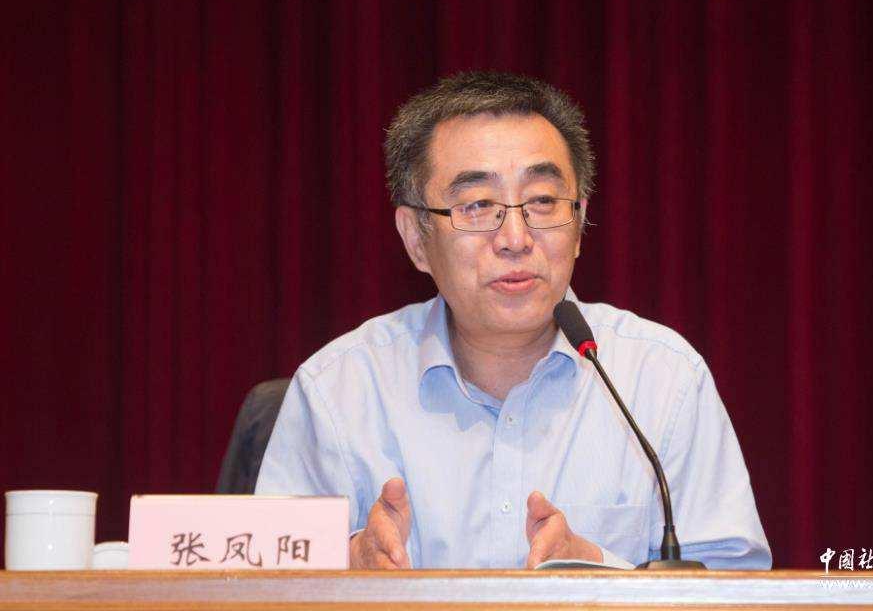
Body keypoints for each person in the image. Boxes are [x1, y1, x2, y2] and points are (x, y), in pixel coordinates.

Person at [255, 71, 771, 570]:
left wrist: (596, 573)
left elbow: (733, 591)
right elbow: (258, 585)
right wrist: (345, 572)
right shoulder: (339, 390)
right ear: (415, 238)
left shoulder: (662, 381)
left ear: (579, 222)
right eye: (477, 205)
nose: (516, 239)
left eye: (542, 201)